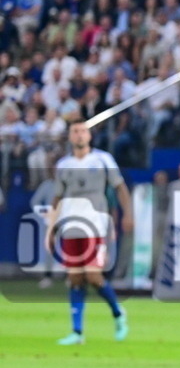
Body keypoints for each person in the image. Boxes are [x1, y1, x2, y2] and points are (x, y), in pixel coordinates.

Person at [47, 119, 132, 344]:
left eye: (83, 130)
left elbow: (120, 187)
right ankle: (77, 332)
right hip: (70, 226)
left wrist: (128, 214)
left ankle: (118, 313)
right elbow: (57, 197)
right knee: (75, 279)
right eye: (75, 131)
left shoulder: (103, 159)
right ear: (69, 136)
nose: (79, 135)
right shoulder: (63, 165)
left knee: (93, 276)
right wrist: (52, 226)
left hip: (95, 224)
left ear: (90, 135)